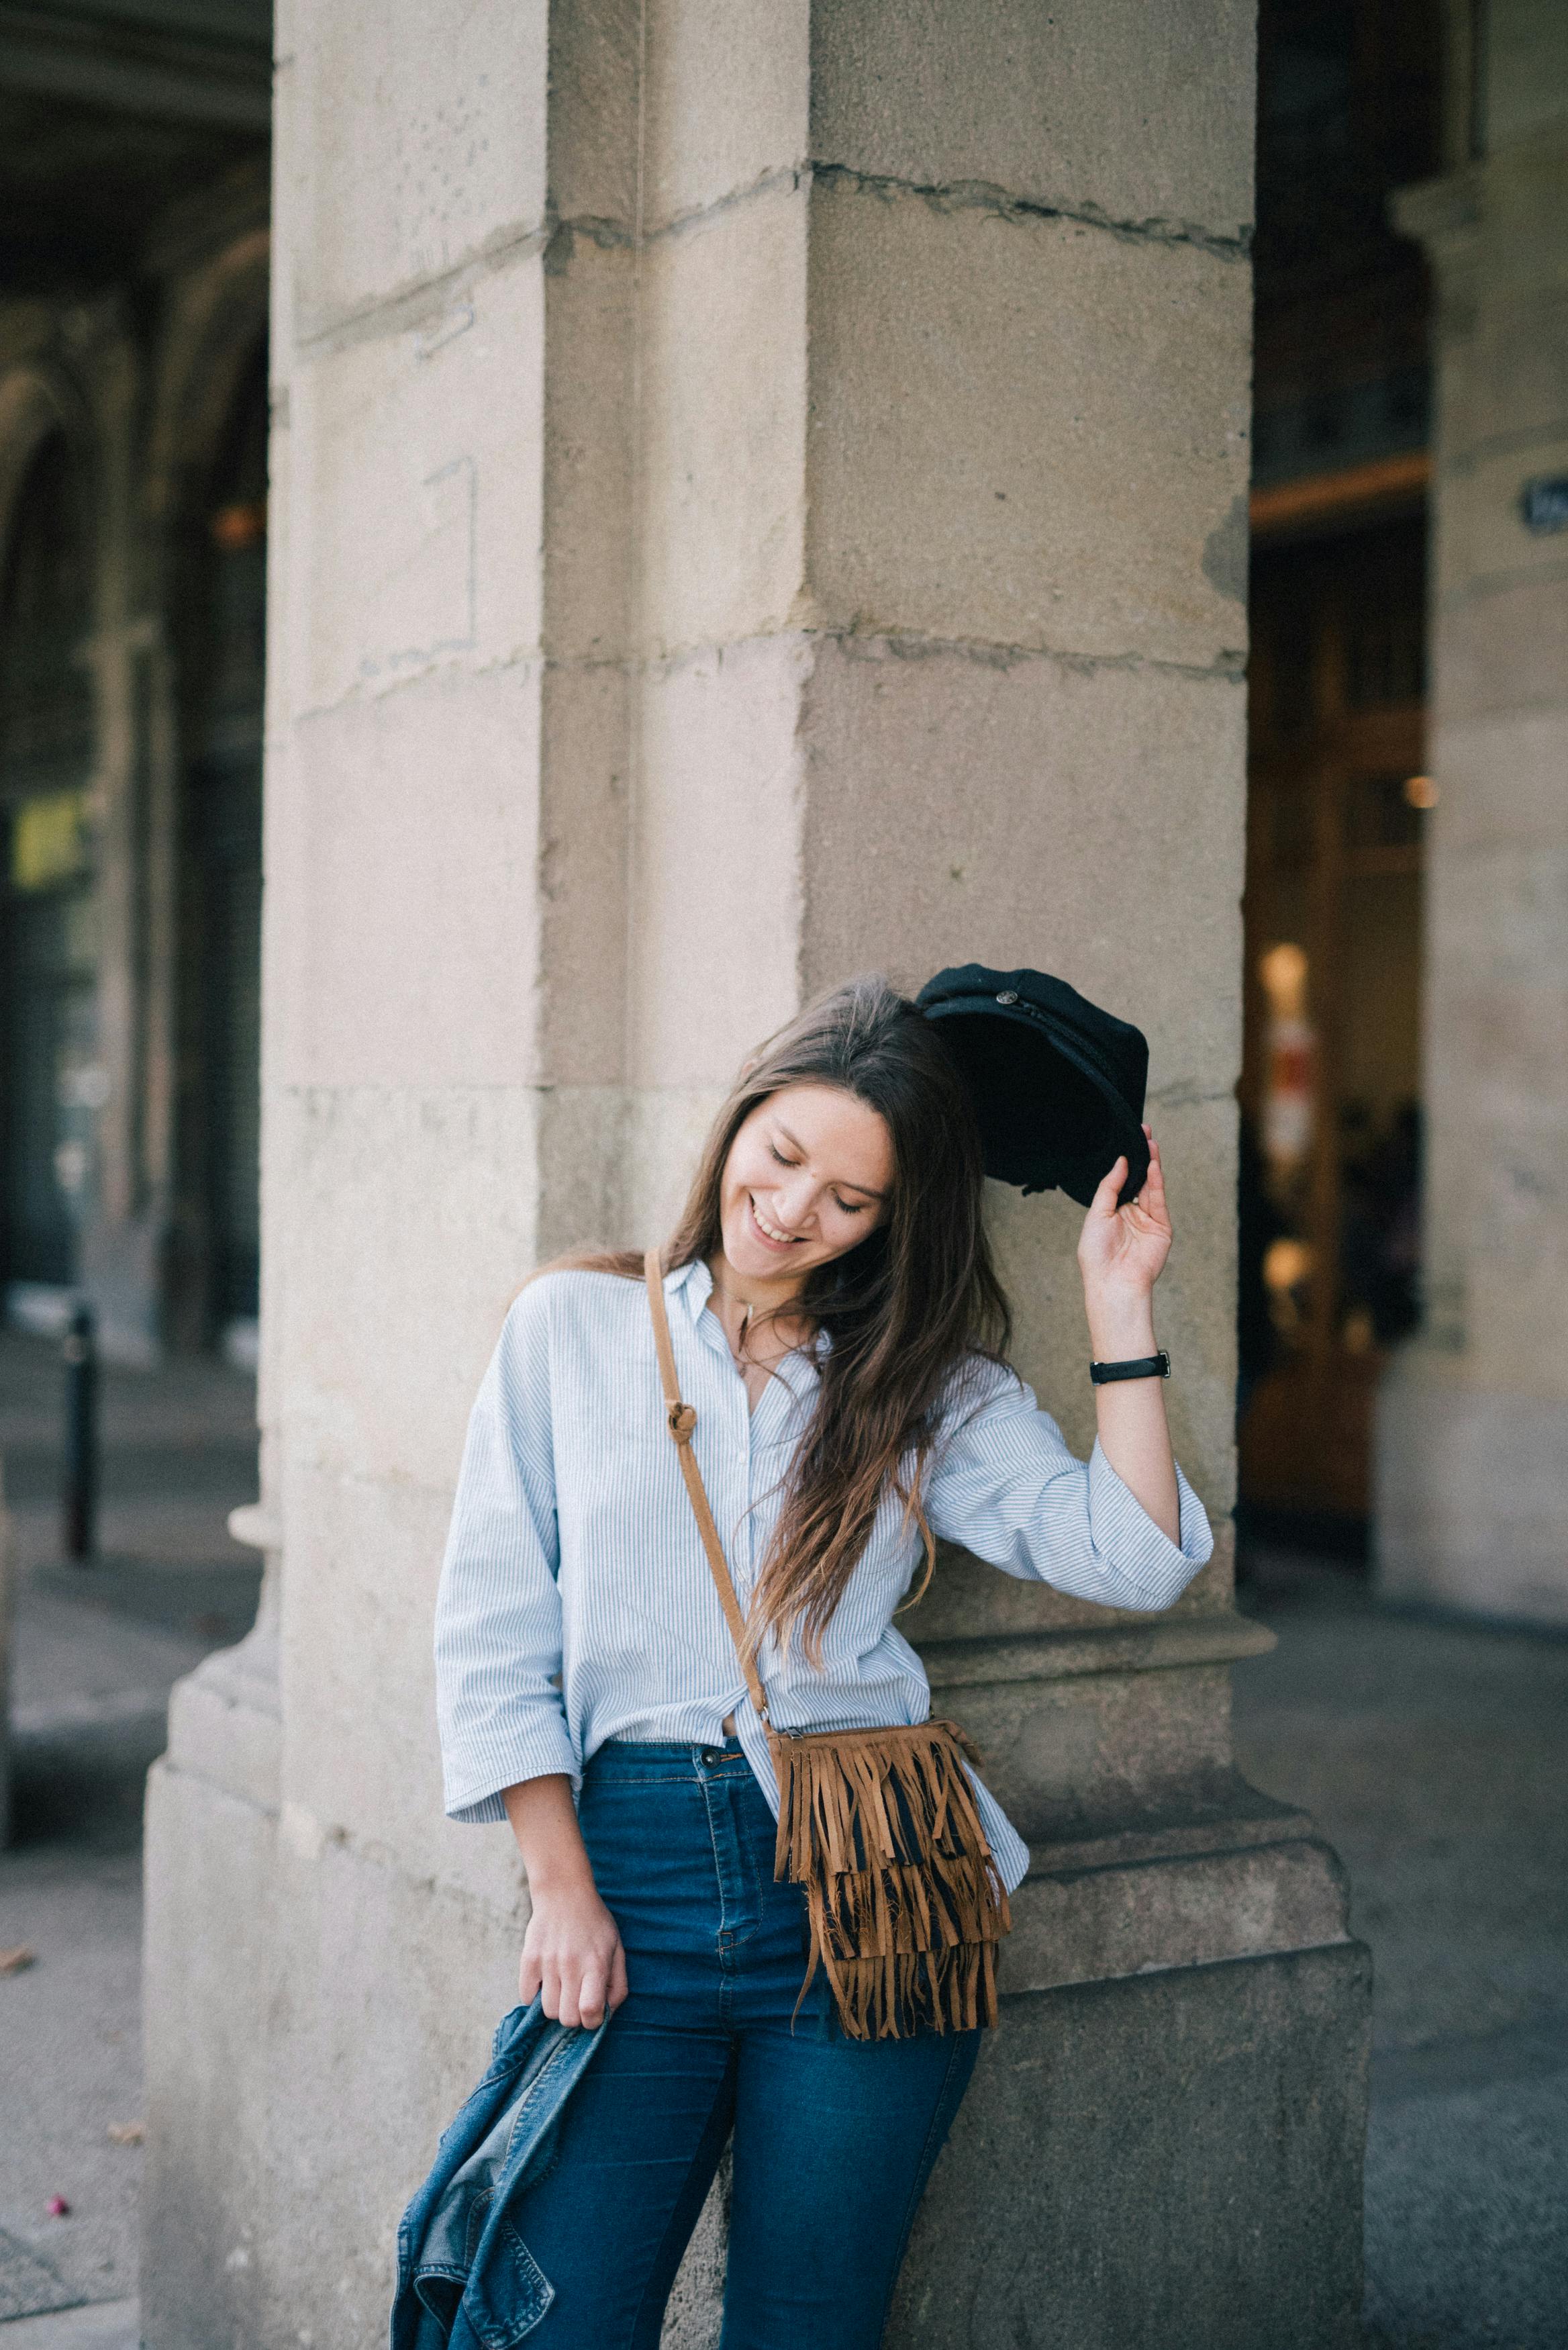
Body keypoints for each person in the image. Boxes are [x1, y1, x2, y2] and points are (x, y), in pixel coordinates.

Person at [434, 973, 1213, 2349]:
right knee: (560, 2315)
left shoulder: (921, 1383)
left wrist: (1117, 1304)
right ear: (739, 1119)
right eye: (783, 1156)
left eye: (849, 1198)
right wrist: (560, 1890)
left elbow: (1136, 1556)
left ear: (892, 1220)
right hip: (633, 1873)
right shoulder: (573, 1326)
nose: (793, 1211)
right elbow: (492, 1631)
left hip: (869, 1882)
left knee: (811, 2320)